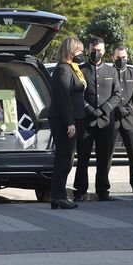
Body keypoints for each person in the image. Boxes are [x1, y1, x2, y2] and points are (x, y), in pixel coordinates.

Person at [75, 37, 121, 201]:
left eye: (99, 50)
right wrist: (89, 109)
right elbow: (76, 93)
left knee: (104, 158)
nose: (96, 53)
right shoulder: (80, 70)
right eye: (93, 50)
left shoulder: (111, 71)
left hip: (105, 121)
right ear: (88, 50)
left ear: (104, 51)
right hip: (85, 121)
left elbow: (117, 94)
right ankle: (80, 191)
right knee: (83, 158)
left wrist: (104, 109)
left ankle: (103, 190)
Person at [47, 37, 86, 209]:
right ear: (70, 51)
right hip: (64, 121)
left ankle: (58, 196)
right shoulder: (63, 69)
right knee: (63, 159)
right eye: (79, 50)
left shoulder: (71, 68)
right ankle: (59, 196)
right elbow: (63, 98)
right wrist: (70, 122)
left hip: (71, 119)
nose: (81, 54)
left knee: (66, 158)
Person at [111, 45, 133, 193]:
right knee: (107, 153)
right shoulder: (108, 72)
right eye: (118, 57)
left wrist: (129, 108)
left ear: (127, 57)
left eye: (123, 57)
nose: (121, 60)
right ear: (112, 57)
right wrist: (117, 108)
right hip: (112, 116)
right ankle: (103, 186)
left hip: (129, 117)